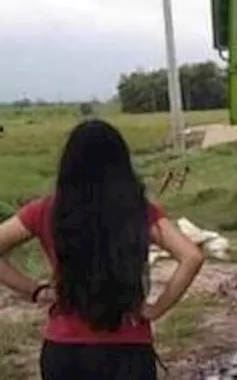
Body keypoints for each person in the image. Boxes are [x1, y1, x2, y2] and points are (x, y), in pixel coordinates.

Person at [0, 120, 205, 380]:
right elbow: (192, 256)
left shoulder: (46, 210)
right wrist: (157, 309)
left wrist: (35, 291)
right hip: (127, 349)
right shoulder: (137, 210)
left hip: (65, 351)